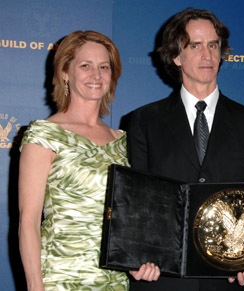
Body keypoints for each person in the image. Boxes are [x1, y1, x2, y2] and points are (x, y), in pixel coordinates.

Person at [121, 8, 244, 291]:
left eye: (214, 45)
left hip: (229, 278)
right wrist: (135, 256)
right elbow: (136, 202)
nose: (208, 55)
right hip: (163, 276)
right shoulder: (143, 121)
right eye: (196, 46)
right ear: (176, 56)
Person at [18, 30, 159, 290]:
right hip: (59, 278)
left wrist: (135, 263)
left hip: (112, 281)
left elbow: (124, 221)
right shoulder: (45, 134)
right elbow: (28, 222)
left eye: (104, 67)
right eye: (85, 66)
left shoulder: (122, 141)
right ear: (64, 73)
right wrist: (35, 286)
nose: (96, 75)